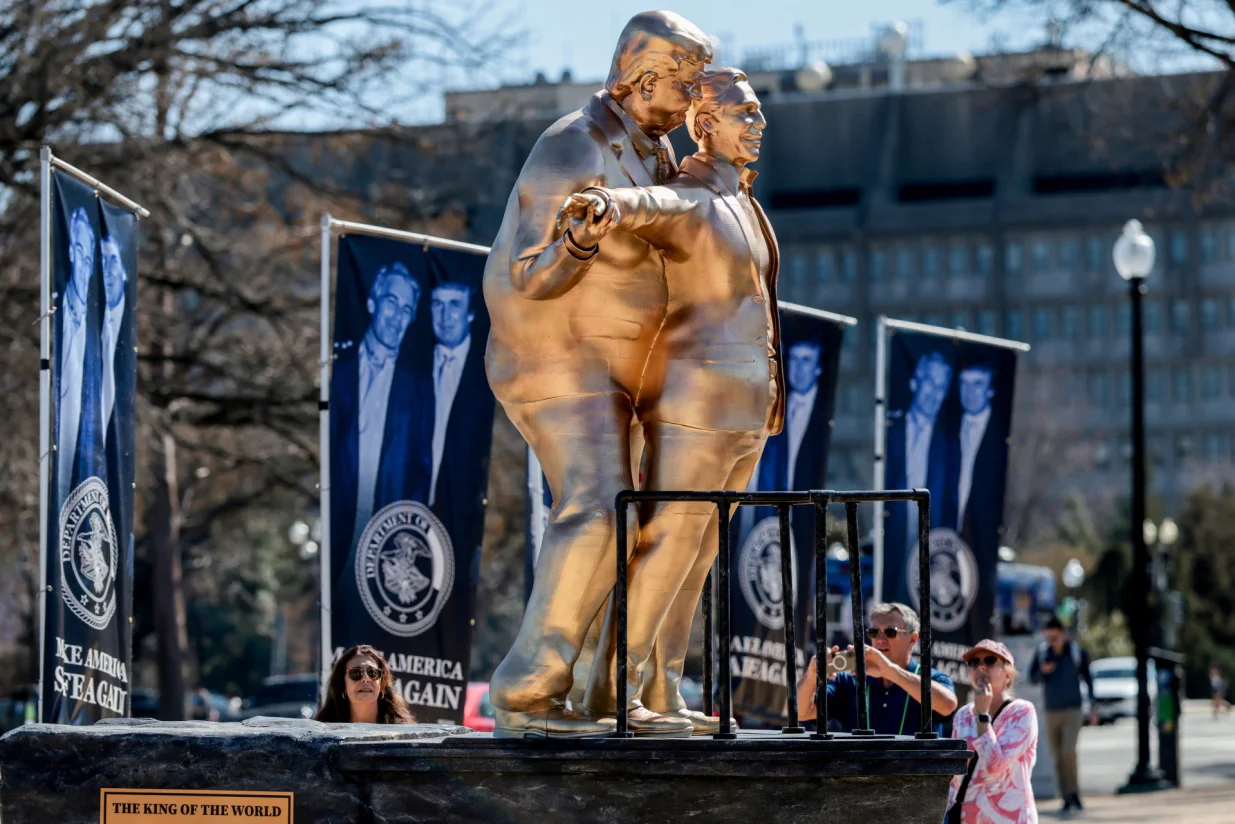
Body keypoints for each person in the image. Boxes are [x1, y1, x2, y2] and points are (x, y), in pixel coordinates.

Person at [484, 10, 712, 739]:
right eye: (686, 85)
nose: (694, 102)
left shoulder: (657, 154)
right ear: (643, 80)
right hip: (559, 360)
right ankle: (527, 693)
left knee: (662, 520)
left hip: (632, 370)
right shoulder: (572, 145)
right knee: (597, 503)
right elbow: (526, 273)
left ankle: (617, 691)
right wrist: (576, 244)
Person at [568, 68, 782, 736]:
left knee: (700, 552)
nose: (759, 125)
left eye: (758, 114)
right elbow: (650, 206)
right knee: (669, 540)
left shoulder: (744, 200)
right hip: (696, 396)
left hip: (749, 402)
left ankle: (660, 687)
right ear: (705, 123)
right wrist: (605, 205)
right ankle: (613, 690)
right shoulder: (693, 195)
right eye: (745, 114)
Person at [330, 261, 433, 558]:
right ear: (372, 303)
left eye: (406, 310)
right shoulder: (338, 371)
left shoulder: (418, 388)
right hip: (335, 528)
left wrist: (405, 534)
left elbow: (420, 470)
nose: (397, 317)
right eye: (391, 302)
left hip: (388, 538)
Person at [797, 602, 958, 735]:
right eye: (874, 632)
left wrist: (890, 671)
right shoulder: (849, 678)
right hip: (860, 773)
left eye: (890, 632)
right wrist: (812, 675)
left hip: (912, 772)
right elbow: (802, 712)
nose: (880, 640)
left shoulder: (934, 678)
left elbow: (948, 705)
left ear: (913, 638)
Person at [947, 640, 1039, 824]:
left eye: (989, 661)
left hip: (1010, 818)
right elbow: (956, 777)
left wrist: (982, 715)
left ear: (1008, 674)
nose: (981, 667)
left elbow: (994, 767)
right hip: (967, 818)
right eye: (974, 663)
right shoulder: (963, 715)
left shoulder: (1022, 712)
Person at [57, 206, 104, 506]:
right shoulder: (55, 317)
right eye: (80, 254)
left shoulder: (94, 332)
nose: (85, 267)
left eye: (91, 259)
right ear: (71, 253)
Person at [1029, 616, 1096, 813]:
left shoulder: (1076, 652)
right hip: (1051, 710)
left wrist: (1093, 706)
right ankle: (1065, 797)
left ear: (1062, 634)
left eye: (1055, 636)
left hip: (1073, 709)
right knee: (1057, 756)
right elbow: (1032, 677)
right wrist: (1043, 671)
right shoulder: (1042, 653)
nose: (1053, 641)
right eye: (1049, 637)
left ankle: (1074, 793)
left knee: (1069, 751)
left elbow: (1088, 678)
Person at [316, 644, 415, 724]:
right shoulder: (324, 730)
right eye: (355, 673)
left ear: (382, 684)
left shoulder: (402, 732)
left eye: (372, 673)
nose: (365, 679)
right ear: (343, 684)